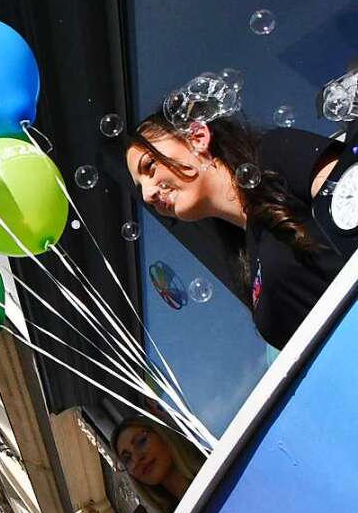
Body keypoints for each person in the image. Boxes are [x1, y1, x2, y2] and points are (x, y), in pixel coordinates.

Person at [126, 110, 345, 349]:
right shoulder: (246, 257)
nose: (148, 195)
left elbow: (350, 196)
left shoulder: (273, 156)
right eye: (140, 187)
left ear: (198, 138)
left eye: (150, 166)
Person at [111, 417, 207, 513]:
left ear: (162, 434)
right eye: (127, 459)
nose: (137, 459)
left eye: (141, 441)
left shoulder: (218, 471)